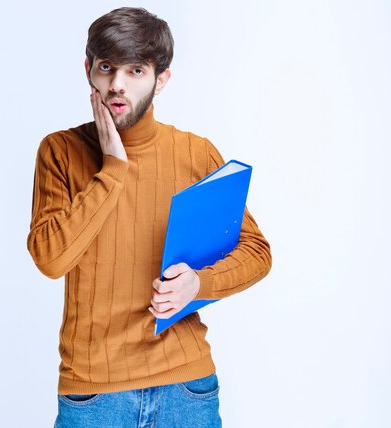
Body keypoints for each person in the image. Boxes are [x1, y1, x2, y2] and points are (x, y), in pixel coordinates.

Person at [26, 7, 272, 428]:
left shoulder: (195, 154)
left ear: (161, 79)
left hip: (186, 388)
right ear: (89, 70)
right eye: (107, 68)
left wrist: (199, 283)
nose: (117, 85)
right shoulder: (60, 152)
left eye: (136, 70)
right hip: (93, 393)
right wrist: (112, 170)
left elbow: (256, 251)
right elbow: (51, 259)